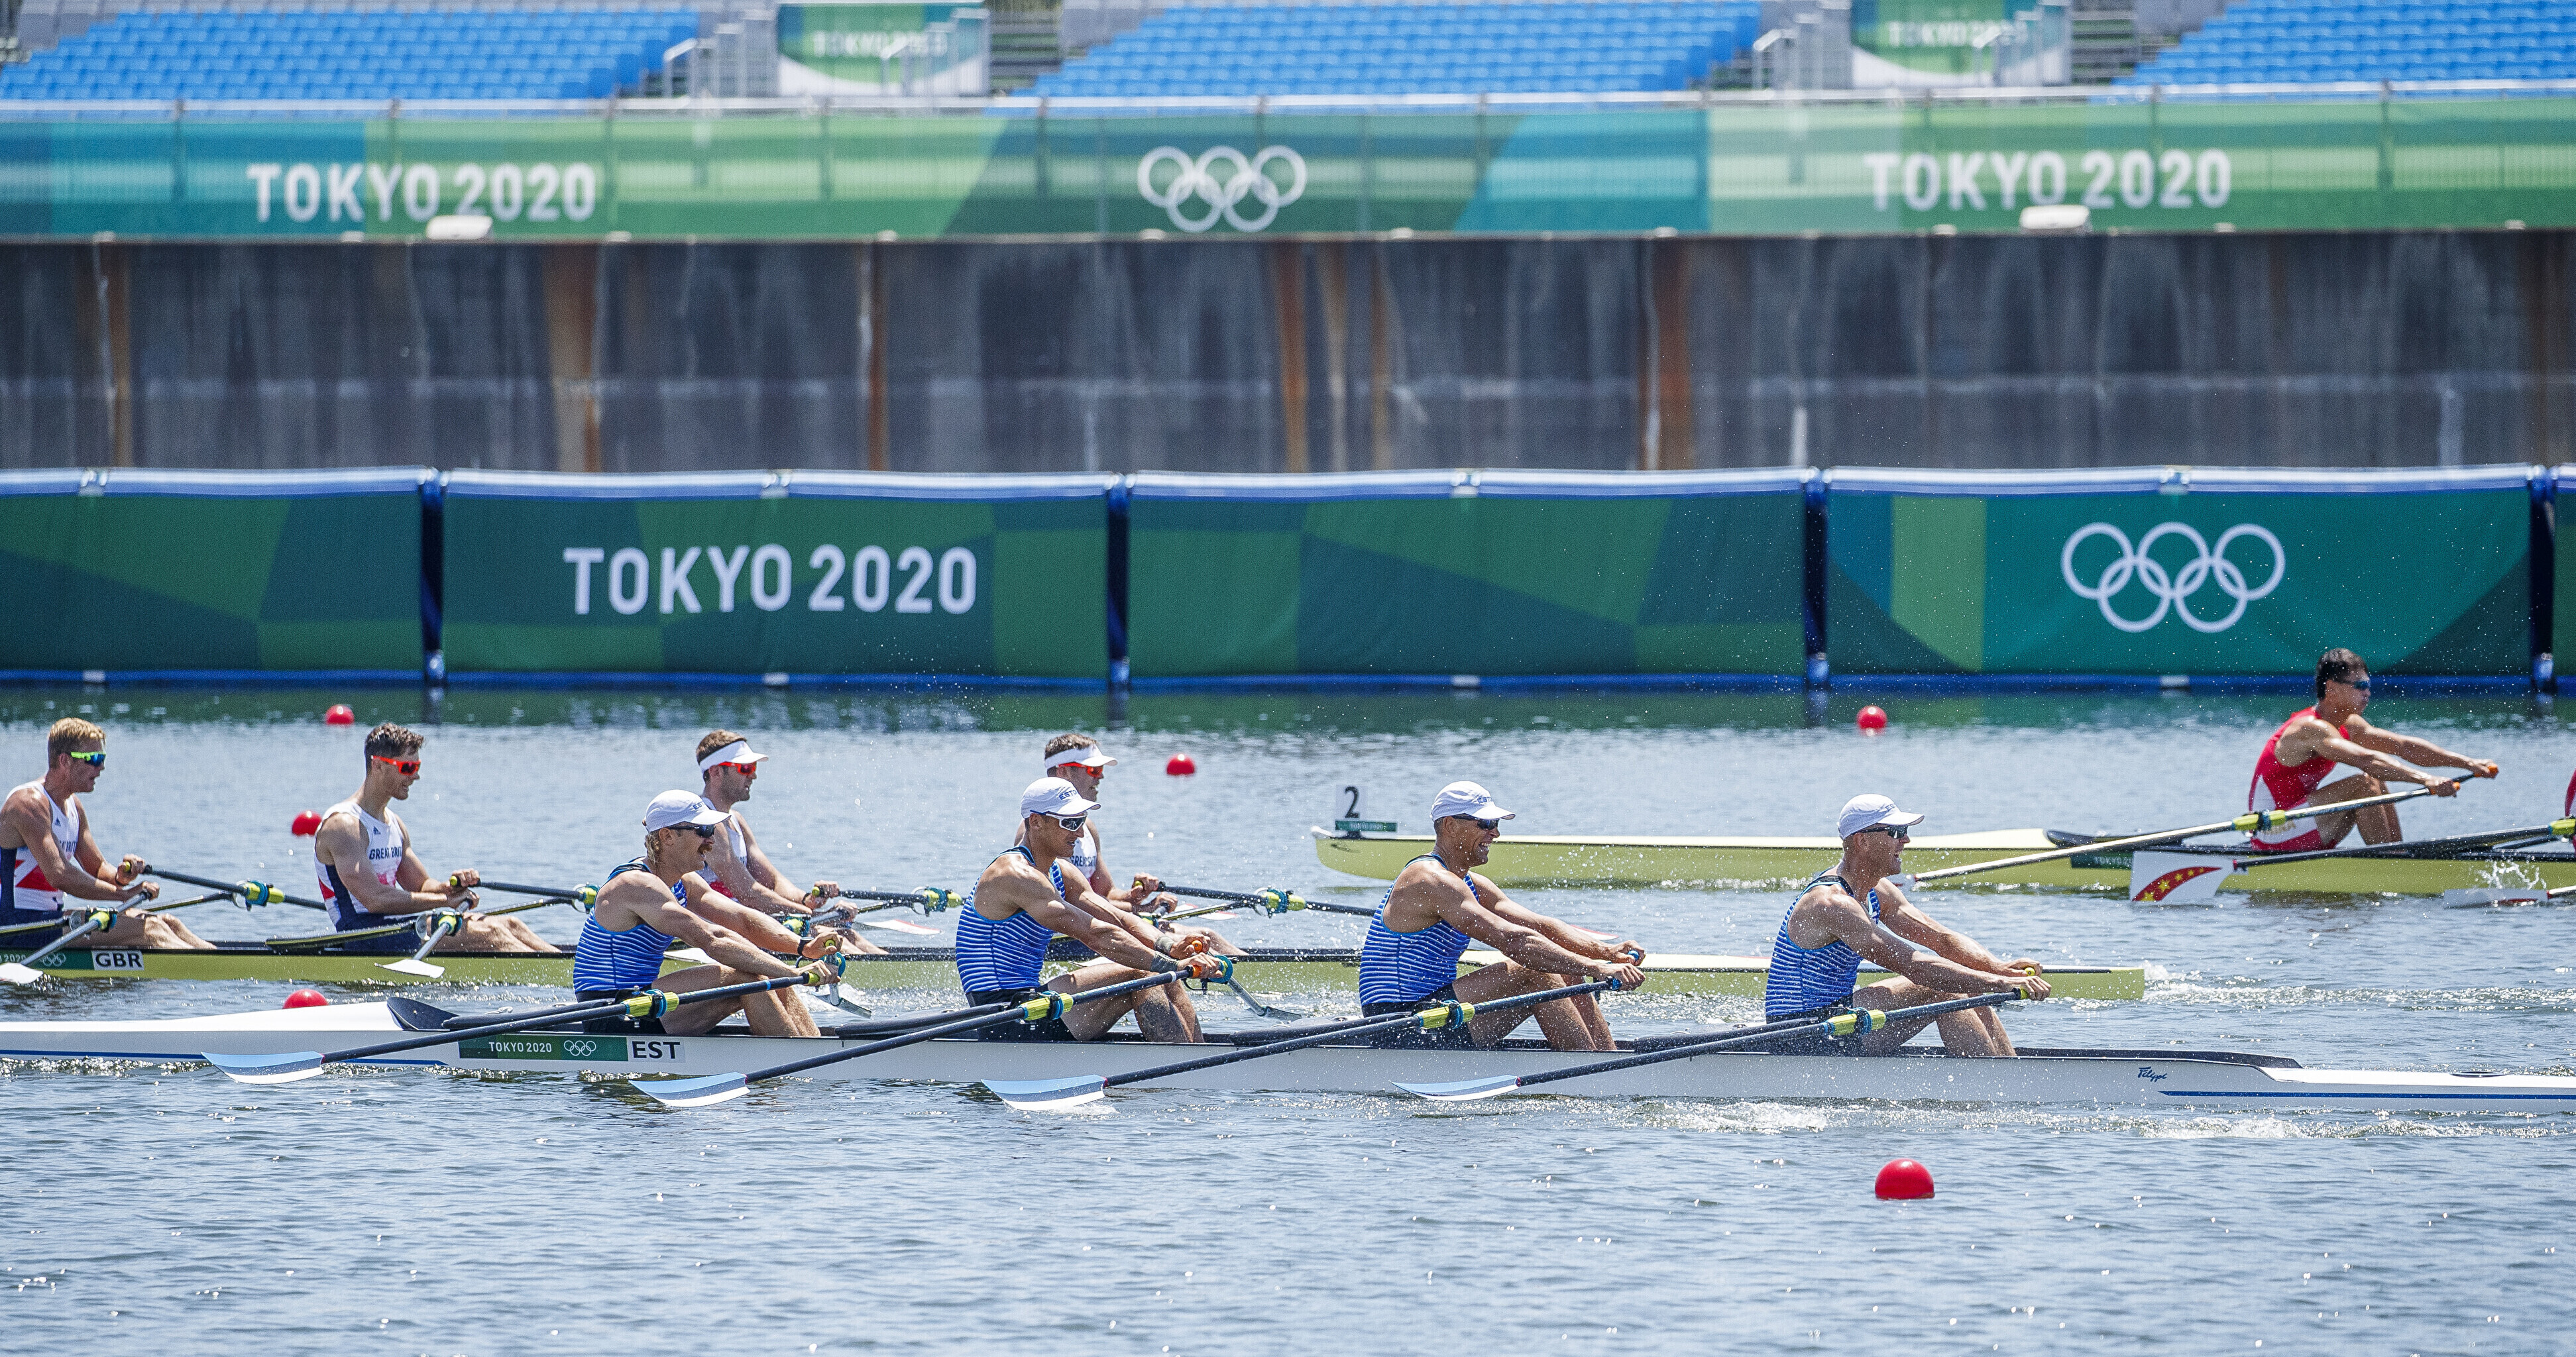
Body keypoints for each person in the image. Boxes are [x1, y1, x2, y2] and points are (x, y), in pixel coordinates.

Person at [1355, 781, 1646, 1052]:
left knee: (1565, 965)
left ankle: (1607, 1060)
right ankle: (1593, 1074)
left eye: (1495, 824)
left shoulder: (1470, 883)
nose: (1495, 833)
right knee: (1536, 971)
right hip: (1398, 1023)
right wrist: (1597, 968)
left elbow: (1541, 927)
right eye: (1485, 824)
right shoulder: (1430, 879)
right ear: (1451, 825)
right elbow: (1512, 941)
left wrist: (1606, 952)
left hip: (1437, 1014)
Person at [1762, 794, 2050, 1057]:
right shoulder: (1832, 903)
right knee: (1946, 987)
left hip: (1838, 1018)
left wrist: (1998, 968)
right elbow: (1915, 967)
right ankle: (1990, 1082)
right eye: (1896, 832)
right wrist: (2000, 984)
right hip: (1799, 1034)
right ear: (1862, 841)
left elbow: (1941, 939)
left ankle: (2007, 1071)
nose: (1906, 840)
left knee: (1967, 979)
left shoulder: (1877, 891)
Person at [958, 777, 1225, 1042]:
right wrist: (1173, 965)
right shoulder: (1014, 874)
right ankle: (1178, 1063)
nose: (1079, 833)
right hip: (1001, 1014)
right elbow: (1094, 933)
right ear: (1036, 822)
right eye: (1069, 823)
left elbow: (1117, 918)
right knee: (1148, 973)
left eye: (1081, 820)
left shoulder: (1060, 871)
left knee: (1164, 974)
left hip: (1031, 1001)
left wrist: (1169, 947)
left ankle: (1195, 1055)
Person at [571, 791, 838, 1038]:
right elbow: (712, 939)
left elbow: (741, 920)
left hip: (645, 1000)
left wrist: (802, 947)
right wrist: (789, 971)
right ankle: (794, 1058)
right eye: (703, 831)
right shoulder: (636, 885)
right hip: (610, 1010)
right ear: (667, 836)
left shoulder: (683, 881)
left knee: (765, 971)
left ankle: (811, 1048)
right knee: (752, 977)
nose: (711, 840)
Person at [311, 722, 555, 954]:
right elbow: (375, 899)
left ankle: (570, 971)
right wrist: (445, 901)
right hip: (363, 934)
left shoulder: (394, 823)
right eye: (408, 768)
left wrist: (451, 887)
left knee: (510, 925)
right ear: (378, 766)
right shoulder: (344, 825)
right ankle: (558, 979)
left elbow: (420, 886)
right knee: (491, 933)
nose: (415, 776)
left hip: (398, 925)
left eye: (417, 767)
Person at [2246, 648, 2497, 851]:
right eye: (2359, 686)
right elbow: (2367, 760)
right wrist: (2426, 780)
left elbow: (2403, 746)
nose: (2367, 692)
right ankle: (2391, 866)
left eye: (2368, 684)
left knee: (2373, 781)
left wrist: (2468, 763)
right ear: (2331, 688)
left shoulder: (2349, 724)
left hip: (2300, 824)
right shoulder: (2310, 728)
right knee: (2364, 783)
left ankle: (2396, 855)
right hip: (2271, 832)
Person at [1024, 733, 1245, 957]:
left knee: (1208, 935)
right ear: (1063, 772)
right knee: (1190, 946)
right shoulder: (1040, 831)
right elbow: (1070, 905)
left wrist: (1134, 896)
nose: (1101, 777)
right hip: (1067, 940)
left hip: (1099, 926)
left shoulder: (1088, 828)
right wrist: (1142, 910)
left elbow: (1105, 893)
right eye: (1094, 770)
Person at [0, 718, 209, 949]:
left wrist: (121, 877)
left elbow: (98, 868)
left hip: (49, 921)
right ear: (65, 761)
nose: (101, 768)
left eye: (102, 759)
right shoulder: (28, 804)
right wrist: (124, 896)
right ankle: (208, 969)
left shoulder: (74, 806)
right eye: (94, 759)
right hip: (17, 927)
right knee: (150, 929)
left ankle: (222, 962)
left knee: (167, 922)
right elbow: (60, 875)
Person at [692, 730, 883, 955]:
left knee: (846, 935)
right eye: (746, 768)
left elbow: (772, 881)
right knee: (824, 936)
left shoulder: (737, 821)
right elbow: (748, 893)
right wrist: (814, 915)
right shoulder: (706, 823)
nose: (753, 775)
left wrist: (807, 900)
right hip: (716, 930)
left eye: (754, 767)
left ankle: (900, 970)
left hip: (745, 922)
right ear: (715, 771)